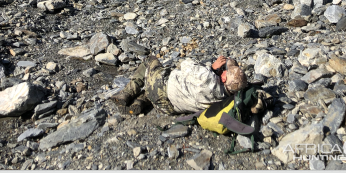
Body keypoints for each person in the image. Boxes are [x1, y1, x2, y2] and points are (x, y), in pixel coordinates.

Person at [112, 54, 268, 116]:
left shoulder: (207, 77)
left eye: (226, 70)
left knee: (150, 61)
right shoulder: (227, 98)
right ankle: (140, 102)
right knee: (158, 91)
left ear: (225, 76)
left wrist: (212, 68)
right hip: (167, 107)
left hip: (162, 85)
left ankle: (127, 93)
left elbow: (186, 63)